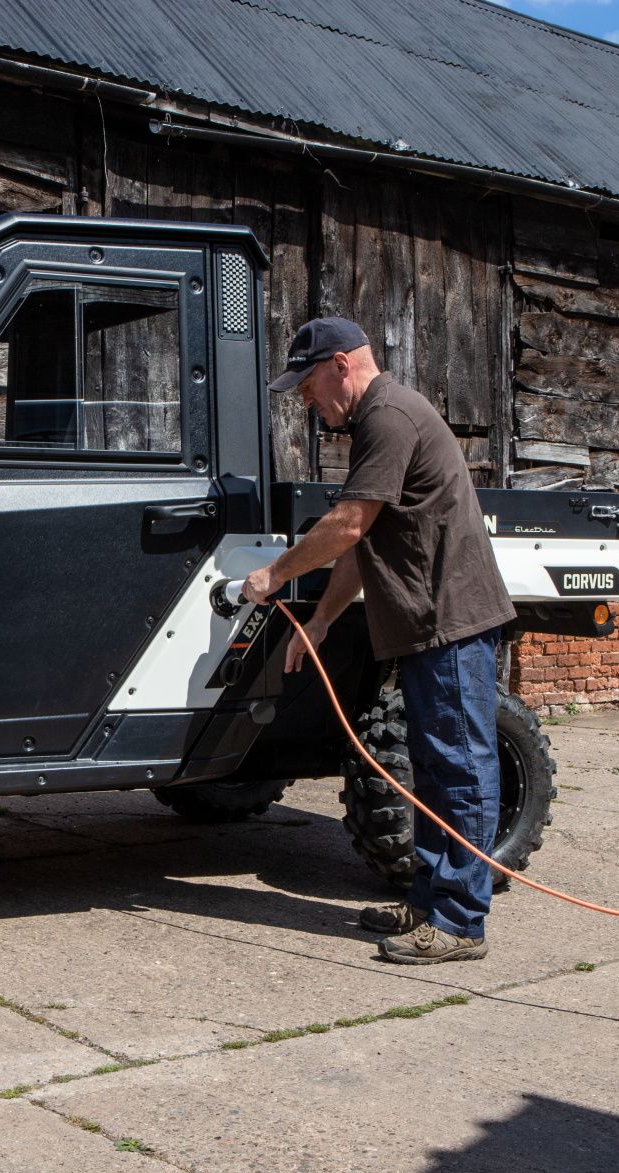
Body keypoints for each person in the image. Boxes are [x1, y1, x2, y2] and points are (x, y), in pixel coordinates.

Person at [241, 318, 514, 964]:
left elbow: (347, 524)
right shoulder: (378, 422)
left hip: (449, 622)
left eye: (307, 385)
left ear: (340, 365)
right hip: (425, 626)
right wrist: (324, 620)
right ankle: (428, 900)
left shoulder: (387, 416)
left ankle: (459, 921)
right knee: (431, 771)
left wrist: (275, 574)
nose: (306, 402)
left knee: (460, 771)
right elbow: (363, 545)